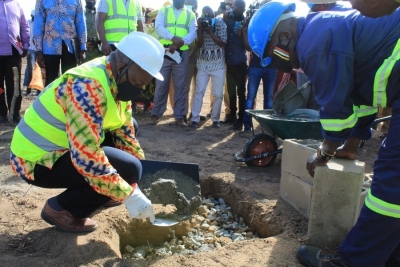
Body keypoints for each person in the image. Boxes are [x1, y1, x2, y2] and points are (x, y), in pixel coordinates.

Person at [248, 1, 400, 266]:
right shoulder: (322, 27)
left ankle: (356, 260)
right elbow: (361, 100)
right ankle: (390, 254)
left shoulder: (314, 41)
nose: (275, 65)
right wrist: (351, 145)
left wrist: (325, 151)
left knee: (392, 181)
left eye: (272, 56)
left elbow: (334, 103)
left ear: (284, 36)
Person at [10, 32, 164, 233]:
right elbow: (85, 156)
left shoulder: (115, 76)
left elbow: (126, 133)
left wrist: (139, 181)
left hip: (65, 145)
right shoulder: (87, 86)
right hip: (36, 159)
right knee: (128, 169)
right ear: (121, 68)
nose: (138, 90)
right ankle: (61, 209)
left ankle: (105, 191)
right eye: (136, 84)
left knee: (133, 148)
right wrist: (127, 192)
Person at [150, 0, 197, 127]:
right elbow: (158, 27)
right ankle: (156, 114)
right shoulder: (164, 10)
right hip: (165, 52)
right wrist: (172, 38)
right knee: (161, 84)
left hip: (181, 54)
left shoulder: (190, 14)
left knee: (181, 86)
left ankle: (179, 117)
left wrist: (180, 42)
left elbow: (193, 32)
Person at [33, 0, 87, 87]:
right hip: (49, 47)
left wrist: (82, 47)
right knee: (50, 83)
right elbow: (38, 24)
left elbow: (80, 22)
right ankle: (50, 100)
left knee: (70, 82)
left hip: (71, 47)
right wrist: (38, 51)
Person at [190, 6, 227, 128]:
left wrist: (210, 32)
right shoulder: (200, 22)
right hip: (203, 63)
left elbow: (222, 43)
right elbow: (199, 45)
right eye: (206, 16)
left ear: (214, 15)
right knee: (199, 92)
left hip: (218, 64)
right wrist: (200, 30)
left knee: (218, 94)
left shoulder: (220, 23)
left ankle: (215, 119)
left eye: (210, 16)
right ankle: (194, 119)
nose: (208, 19)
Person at [222, 0, 251, 130]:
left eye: (240, 11)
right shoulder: (227, 19)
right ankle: (232, 115)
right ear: (232, 7)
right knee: (231, 91)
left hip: (240, 63)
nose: (237, 12)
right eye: (235, 9)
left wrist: (244, 31)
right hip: (229, 62)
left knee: (241, 92)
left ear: (243, 11)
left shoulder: (246, 23)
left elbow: (248, 46)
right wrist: (224, 18)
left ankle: (240, 120)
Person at [0, 0, 29, 123]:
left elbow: (24, 26)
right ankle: (1, 113)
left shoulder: (17, 5)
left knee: (14, 85)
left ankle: (15, 114)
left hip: (14, 51)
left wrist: (26, 45)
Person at [242, 52, 277, 132]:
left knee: (250, 97)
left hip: (255, 65)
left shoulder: (257, 38)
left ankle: (247, 126)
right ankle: (268, 126)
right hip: (271, 66)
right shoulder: (274, 38)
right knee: (268, 98)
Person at [22, 9, 37, 97]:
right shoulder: (28, 22)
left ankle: (37, 86)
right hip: (30, 49)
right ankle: (26, 85)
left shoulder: (40, 23)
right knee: (29, 68)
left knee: (38, 68)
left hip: (38, 49)